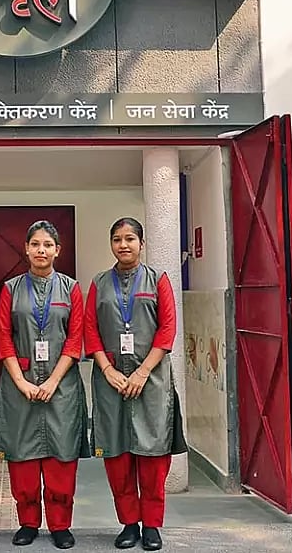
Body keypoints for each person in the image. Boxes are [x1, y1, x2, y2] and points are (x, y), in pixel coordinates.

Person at [84, 217, 187, 551]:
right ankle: (129, 523)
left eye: (130, 238)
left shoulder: (158, 281)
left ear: (142, 244)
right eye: (117, 239)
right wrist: (108, 369)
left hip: (151, 381)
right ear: (111, 244)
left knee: (152, 455)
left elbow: (167, 328)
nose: (123, 245)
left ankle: (152, 525)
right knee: (117, 455)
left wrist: (142, 371)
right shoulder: (99, 283)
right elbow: (90, 330)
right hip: (110, 381)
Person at [0, 220, 89, 550]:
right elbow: (3, 337)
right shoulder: (10, 289)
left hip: (60, 386)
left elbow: (75, 337)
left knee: (61, 456)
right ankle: (28, 522)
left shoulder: (71, 288)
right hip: (18, 385)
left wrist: (53, 380)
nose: (41, 251)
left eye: (48, 245)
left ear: (57, 251)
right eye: (35, 244)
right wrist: (20, 380)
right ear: (26, 248)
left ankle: (60, 524)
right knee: (22, 456)